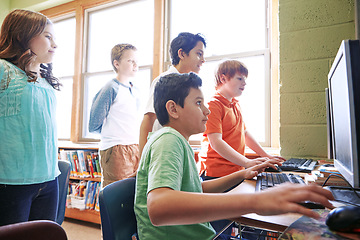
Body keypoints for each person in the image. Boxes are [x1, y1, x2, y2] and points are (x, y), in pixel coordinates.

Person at [134, 72, 334, 240]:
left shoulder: (177, 141)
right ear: (173, 109)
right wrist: (256, 202)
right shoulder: (168, 140)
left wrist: (241, 174)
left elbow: (195, 188)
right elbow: (158, 207)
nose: (207, 109)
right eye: (198, 103)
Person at [0, 9, 60, 226]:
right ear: (22, 35)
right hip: (10, 182)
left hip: (48, 179)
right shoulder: (3, 69)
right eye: (47, 36)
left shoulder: (46, 81)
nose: (54, 43)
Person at [199, 60, 285, 180]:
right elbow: (215, 142)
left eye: (245, 79)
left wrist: (266, 156)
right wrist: (247, 162)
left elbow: (244, 133)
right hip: (216, 173)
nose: (244, 83)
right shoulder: (213, 105)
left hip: (236, 170)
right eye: (240, 79)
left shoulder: (234, 104)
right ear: (223, 79)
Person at [138, 32, 206, 156]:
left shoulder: (188, 85)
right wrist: (142, 161)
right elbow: (148, 119)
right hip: (161, 149)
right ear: (182, 54)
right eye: (199, 54)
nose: (203, 60)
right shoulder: (163, 81)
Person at [89, 43, 140, 188]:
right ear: (116, 63)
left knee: (133, 193)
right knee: (117, 195)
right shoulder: (111, 88)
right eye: (130, 61)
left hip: (134, 146)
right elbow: (94, 125)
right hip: (116, 149)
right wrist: (112, 133)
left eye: (136, 61)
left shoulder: (135, 90)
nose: (135, 65)